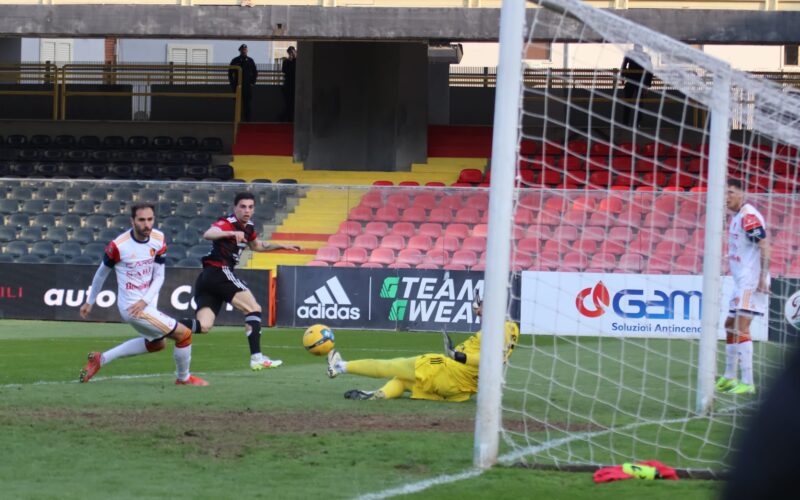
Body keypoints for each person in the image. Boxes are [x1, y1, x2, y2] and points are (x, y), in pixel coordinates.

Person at [79, 203, 207, 386]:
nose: (147, 224)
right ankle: (184, 379)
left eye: (150, 219)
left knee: (157, 344)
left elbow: (160, 275)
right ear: (132, 221)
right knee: (184, 335)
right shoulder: (119, 246)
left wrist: (145, 300)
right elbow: (101, 273)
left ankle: (101, 359)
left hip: (146, 304)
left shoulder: (158, 238)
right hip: (132, 308)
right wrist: (90, 301)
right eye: (141, 220)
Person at [187, 192, 300, 370]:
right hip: (220, 271)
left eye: (250, 207)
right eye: (243, 206)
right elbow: (209, 234)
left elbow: (257, 246)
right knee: (254, 308)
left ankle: (163, 327)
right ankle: (257, 358)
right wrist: (231, 233)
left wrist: (282, 245)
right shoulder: (228, 223)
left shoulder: (249, 227)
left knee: (204, 326)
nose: (247, 210)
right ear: (235, 208)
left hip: (207, 277)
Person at [326, 297, 519, 402]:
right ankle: (380, 395)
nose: (478, 314)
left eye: (481, 308)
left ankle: (340, 366)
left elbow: (493, 359)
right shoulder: (509, 329)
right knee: (402, 381)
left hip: (446, 370)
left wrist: (459, 356)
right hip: (458, 391)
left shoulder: (499, 328)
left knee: (392, 365)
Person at [715, 178, 771, 395]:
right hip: (741, 282)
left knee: (740, 327)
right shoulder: (736, 217)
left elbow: (765, 245)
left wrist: (762, 277)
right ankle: (730, 377)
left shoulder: (748, 216)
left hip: (751, 282)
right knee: (730, 324)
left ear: (741, 194)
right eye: (724, 193)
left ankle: (747, 383)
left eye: (730, 192)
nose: (726, 197)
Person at [620, 43, 653, 128]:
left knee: (638, 103)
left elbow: (649, 71)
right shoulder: (632, 54)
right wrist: (622, 77)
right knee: (632, 102)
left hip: (638, 81)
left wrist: (647, 85)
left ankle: (634, 123)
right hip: (634, 81)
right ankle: (627, 123)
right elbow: (624, 65)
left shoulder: (643, 56)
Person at [229, 43, 258, 122]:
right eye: (242, 50)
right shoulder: (235, 60)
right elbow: (230, 72)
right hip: (237, 85)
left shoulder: (250, 60)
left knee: (247, 104)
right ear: (240, 51)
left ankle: (247, 121)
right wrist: (232, 83)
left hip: (247, 86)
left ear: (247, 50)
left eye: (245, 49)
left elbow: (255, 72)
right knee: (237, 104)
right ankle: (237, 120)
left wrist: (252, 83)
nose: (244, 51)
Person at [280, 46, 296, 122]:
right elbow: (284, 71)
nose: (291, 54)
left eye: (292, 52)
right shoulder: (286, 61)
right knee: (288, 103)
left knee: (294, 104)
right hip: (288, 84)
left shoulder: (297, 61)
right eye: (290, 53)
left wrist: (294, 59)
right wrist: (289, 61)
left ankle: (293, 118)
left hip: (296, 84)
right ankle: (289, 119)